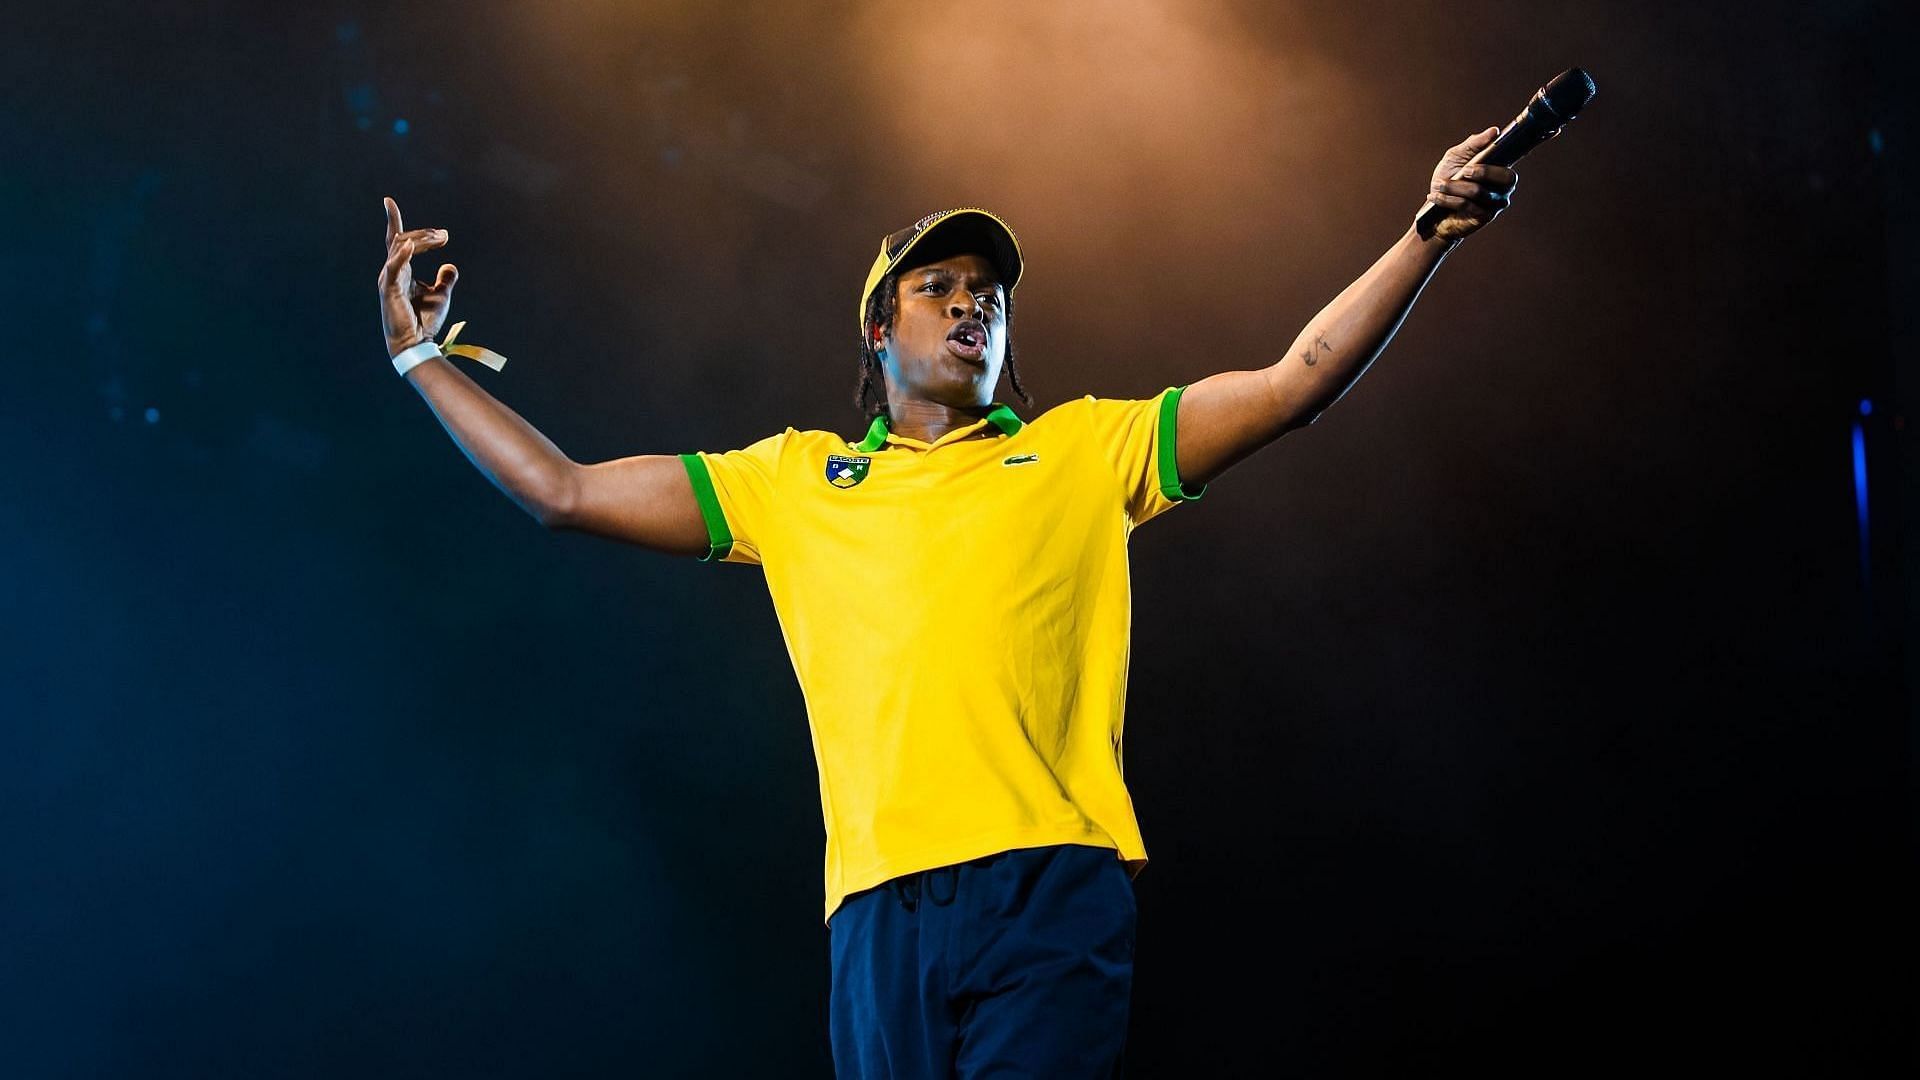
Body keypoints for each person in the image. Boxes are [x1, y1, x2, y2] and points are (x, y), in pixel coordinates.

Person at [376, 126, 1519, 1078]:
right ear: (880, 327)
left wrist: (1426, 233)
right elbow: (562, 491)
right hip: (875, 911)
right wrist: (421, 362)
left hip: (1048, 885)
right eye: (940, 288)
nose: (973, 307)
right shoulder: (792, 480)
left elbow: (1293, 383)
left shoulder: (1088, 450)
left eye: (990, 295)